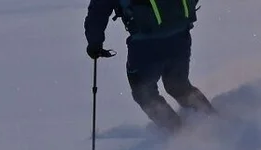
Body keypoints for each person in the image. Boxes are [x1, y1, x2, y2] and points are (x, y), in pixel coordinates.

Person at [85, 0, 217, 134]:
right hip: (180, 35)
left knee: (144, 92)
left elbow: (98, 10)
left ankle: (178, 134)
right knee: (178, 85)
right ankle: (215, 123)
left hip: (145, 43)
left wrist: (94, 43)